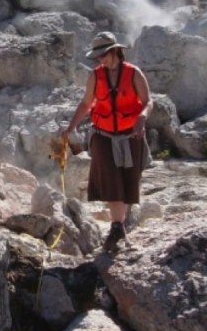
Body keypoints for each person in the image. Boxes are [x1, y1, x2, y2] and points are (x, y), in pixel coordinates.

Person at [62, 31, 153, 253]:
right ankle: (116, 227)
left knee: (126, 181)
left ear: (114, 51)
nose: (99, 60)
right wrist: (70, 127)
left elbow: (148, 101)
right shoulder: (95, 76)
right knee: (111, 180)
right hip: (103, 136)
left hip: (131, 136)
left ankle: (118, 226)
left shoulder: (134, 74)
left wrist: (142, 117)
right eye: (97, 56)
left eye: (102, 54)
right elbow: (86, 104)